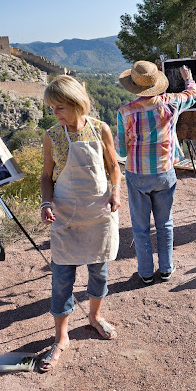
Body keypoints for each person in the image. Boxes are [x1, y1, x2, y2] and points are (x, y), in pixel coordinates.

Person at [39, 75, 122, 372]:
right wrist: (46, 203)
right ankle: (61, 336)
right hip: (64, 215)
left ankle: (95, 317)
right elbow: (46, 176)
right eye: (52, 108)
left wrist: (116, 191)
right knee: (62, 278)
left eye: (60, 107)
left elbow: (113, 167)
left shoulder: (100, 129)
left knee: (99, 273)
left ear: (77, 104)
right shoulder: (52, 135)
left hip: (98, 214)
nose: (55, 114)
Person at [117, 61, 196, 285]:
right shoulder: (171, 102)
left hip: (137, 174)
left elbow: (121, 151)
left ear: (134, 86)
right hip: (164, 172)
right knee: (165, 224)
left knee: (140, 227)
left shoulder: (125, 112)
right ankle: (166, 269)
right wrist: (188, 78)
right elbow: (193, 94)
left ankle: (145, 273)